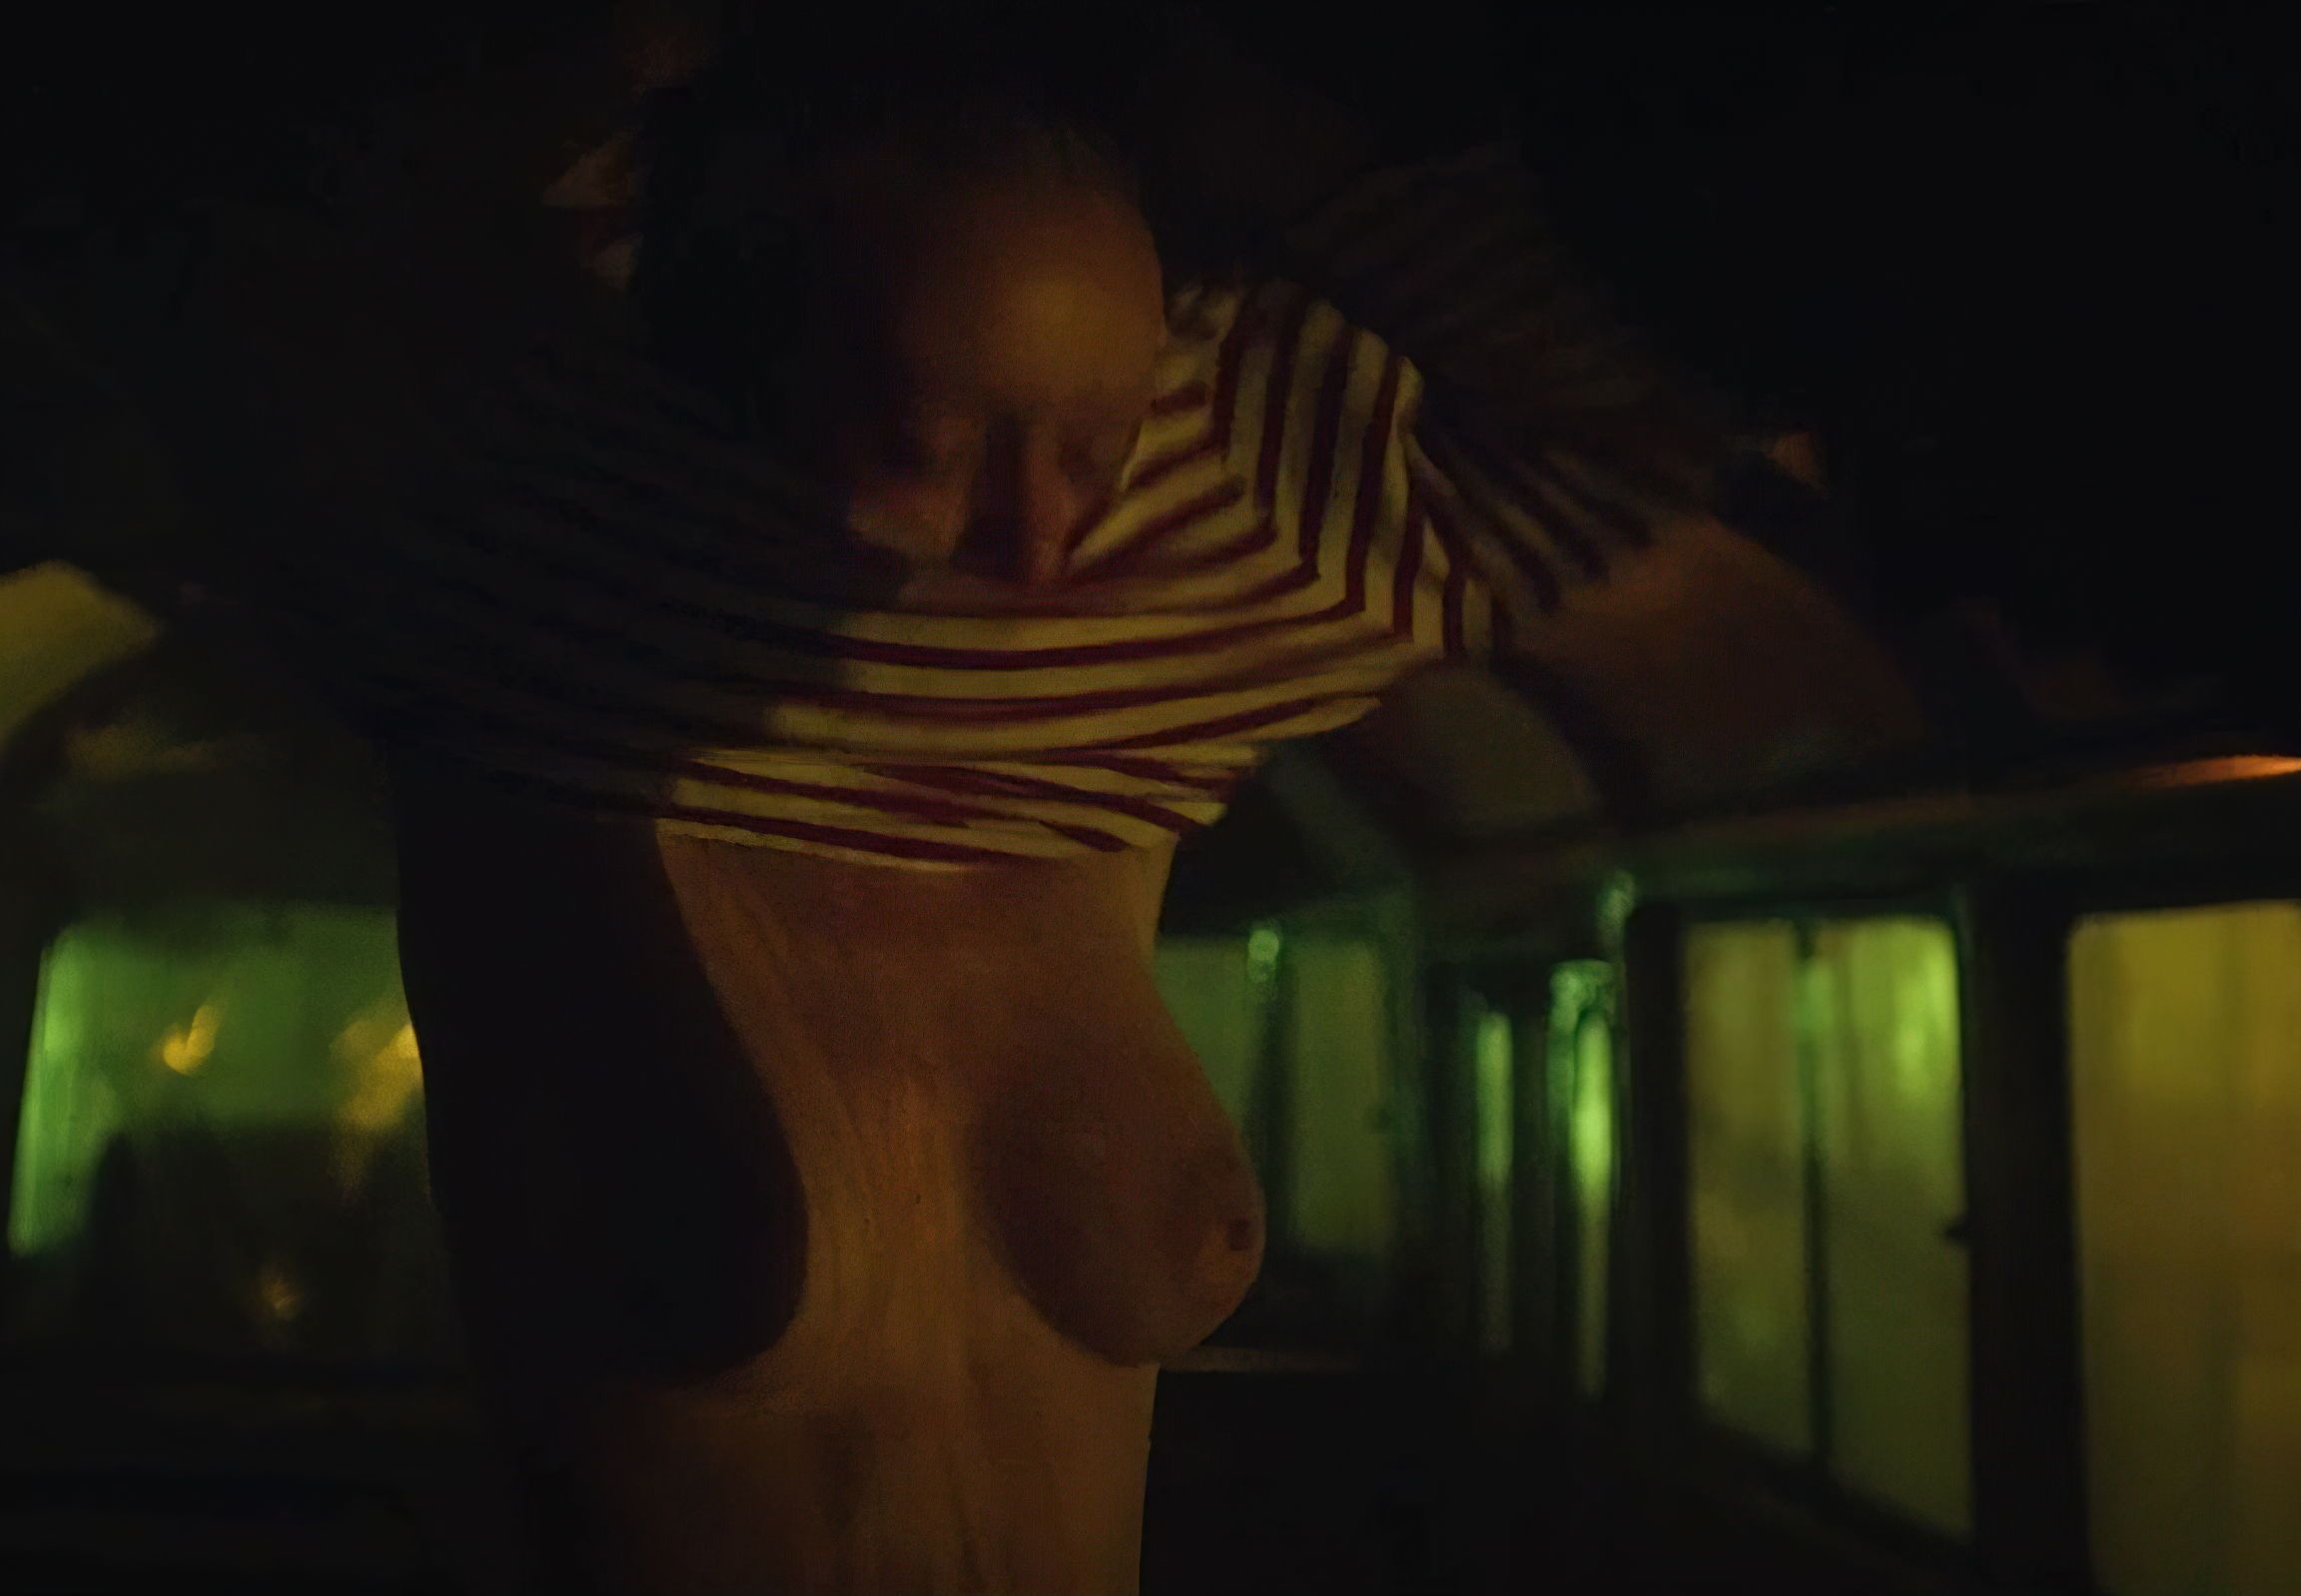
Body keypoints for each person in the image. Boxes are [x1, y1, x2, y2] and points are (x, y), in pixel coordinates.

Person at [8, 4, 1762, 1589]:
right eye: (927, 452)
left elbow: (1677, 388)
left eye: (1101, 447)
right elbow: (153, 195)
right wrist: (647, 62)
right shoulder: (506, 552)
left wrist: (1204, 101)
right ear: (721, 366)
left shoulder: (1230, 544)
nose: (1041, 544)